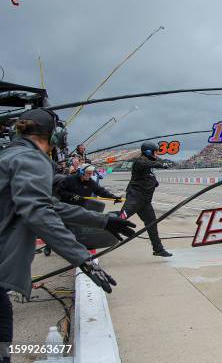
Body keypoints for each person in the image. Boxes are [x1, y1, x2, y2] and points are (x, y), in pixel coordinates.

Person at [0, 109, 136, 363]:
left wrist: (104, 220)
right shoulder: (30, 159)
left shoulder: (11, 156)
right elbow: (39, 212)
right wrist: (82, 259)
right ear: (55, 137)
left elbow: (49, 206)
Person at [119, 141, 171, 257]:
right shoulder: (140, 162)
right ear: (148, 152)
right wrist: (162, 165)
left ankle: (158, 250)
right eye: (155, 152)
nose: (156, 154)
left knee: (152, 224)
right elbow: (146, 164)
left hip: (145, 202)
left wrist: (154, 182)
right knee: (121, 219)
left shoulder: (148, 168)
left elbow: (149, 175)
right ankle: (102, 224)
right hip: (135, 199)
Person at [57, 163, 122, 208]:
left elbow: (101, 191)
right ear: (82, 172)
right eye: (88, 173)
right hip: (67, 206)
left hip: (81, 207)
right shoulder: (70, 179)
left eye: (91, 174)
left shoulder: (91, 182)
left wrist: (113, 197)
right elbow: (60, 191)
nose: (90, 175)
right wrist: (73, 196)